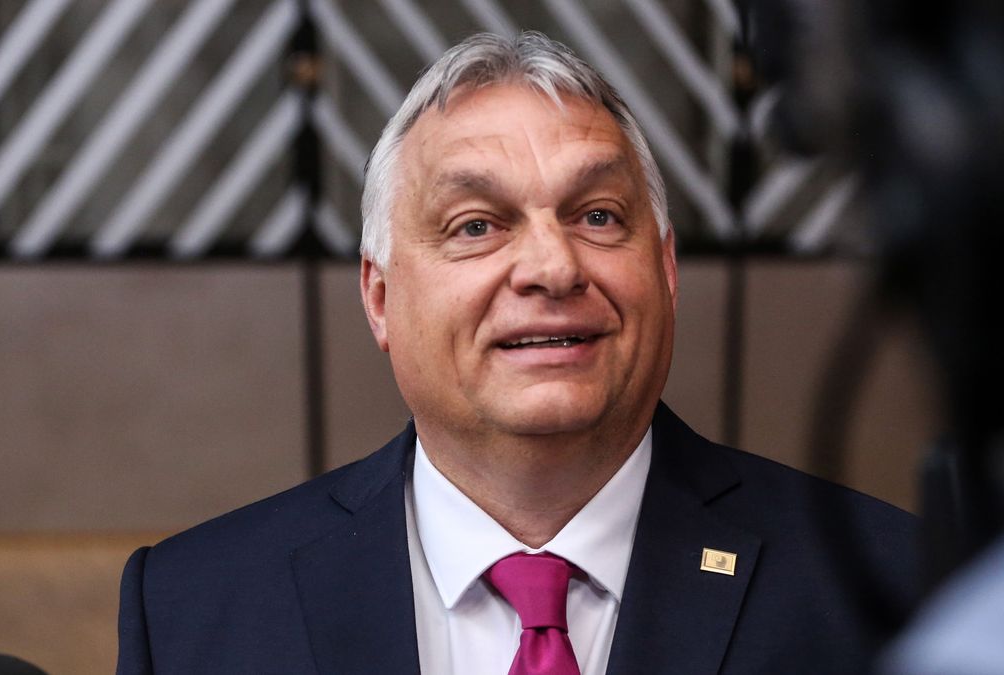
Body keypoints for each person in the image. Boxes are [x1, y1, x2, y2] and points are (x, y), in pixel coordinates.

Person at [116, 31, 914, 674]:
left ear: (666, 269)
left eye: (599, 216)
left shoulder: (891, 587)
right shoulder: (194, 608)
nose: (553, 267)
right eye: (475, 226)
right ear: (380, 296)